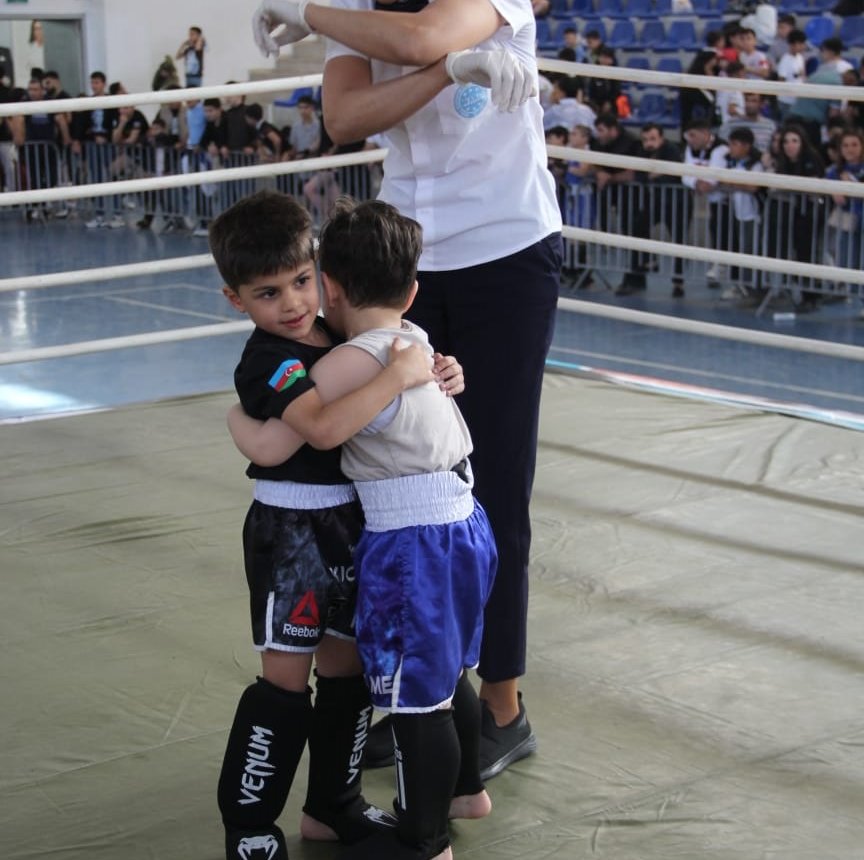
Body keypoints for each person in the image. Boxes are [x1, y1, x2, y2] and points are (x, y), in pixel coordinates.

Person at [251, 0, 562, 782]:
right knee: (391, 480)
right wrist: (446, 69)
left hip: (502, 252)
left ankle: (501, 705)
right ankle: (427, 698)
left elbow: (421, 37)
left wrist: (310, 14)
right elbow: (348, 115)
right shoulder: (359, 10)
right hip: (399, 259)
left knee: (489, 484)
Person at [232, 196, 498, 860]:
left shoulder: (342, 337)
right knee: (292, 685)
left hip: (373, 527)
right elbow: (290, 436)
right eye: (271, 291)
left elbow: (364, 386)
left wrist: (432, 372)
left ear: (327, 280)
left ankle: (339, 807)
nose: (295, 302)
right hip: (305, 529)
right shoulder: (283, 356)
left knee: (368, 678)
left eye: (302, 281)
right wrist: (234, 421)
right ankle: (251, 825)